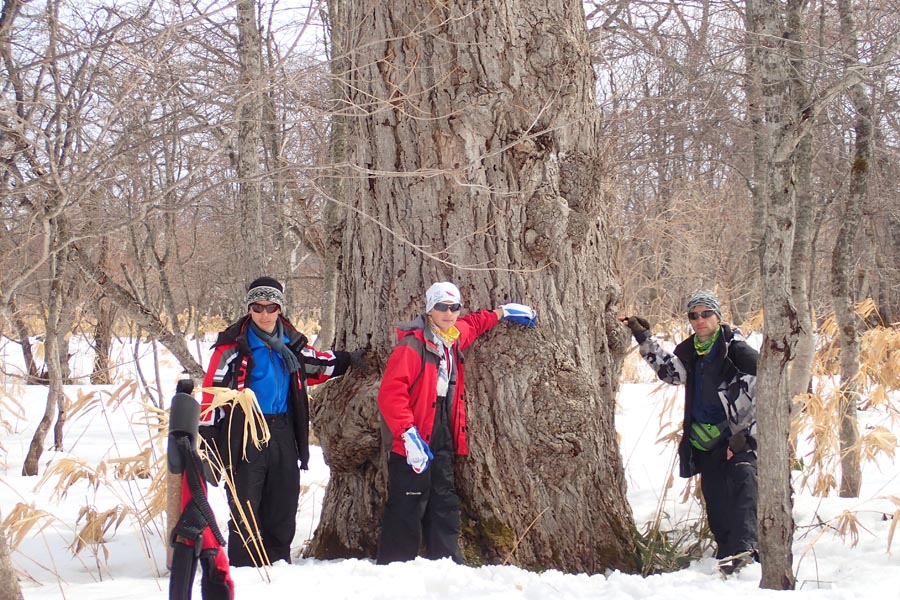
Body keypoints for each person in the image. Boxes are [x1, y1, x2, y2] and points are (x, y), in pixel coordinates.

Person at [199, 276, 364, 567]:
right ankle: (245, 566)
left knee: (284, 500)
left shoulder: (292, 343)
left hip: (283, 430)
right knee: (246, 501)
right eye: (258, 307)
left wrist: (347, 359)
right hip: (246, 432)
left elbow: (316, 365)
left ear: (280, 309)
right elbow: (212, 393)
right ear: (249, 308)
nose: (264, 314)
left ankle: (278, 563)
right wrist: (208, 438)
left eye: (271, 307)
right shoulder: (232, 347)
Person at [376, 281, 538, 564]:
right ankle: (395, 568)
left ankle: (446, 566)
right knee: (407, 501)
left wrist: (503, 312)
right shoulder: (411, 346)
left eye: (454, 307)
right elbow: (391, 394)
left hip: (442, 429)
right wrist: (407, 434)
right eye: (441, 307)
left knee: (443, 499)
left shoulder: (451, 337)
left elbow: (474, 324)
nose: (449, 313)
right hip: (412, 432)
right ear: (429, 310)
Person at [621, 290, 759, 571]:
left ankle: (747, 552)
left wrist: (745, 438)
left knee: (743, 490)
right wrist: (644, 338)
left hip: (736, 439)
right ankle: (728, 555)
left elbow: (764, 393)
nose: (699, 320)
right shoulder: (691, 351)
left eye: (706, 313)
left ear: (718, 316)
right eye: (693, 315)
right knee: (716, 500)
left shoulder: (738, 351)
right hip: (704, 442)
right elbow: (671, 373)